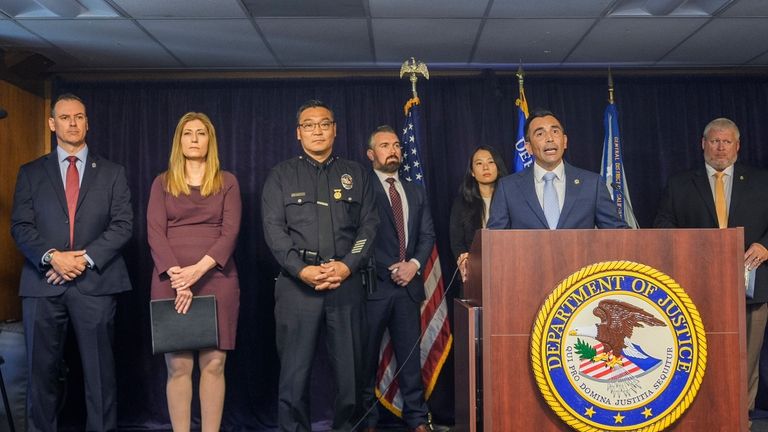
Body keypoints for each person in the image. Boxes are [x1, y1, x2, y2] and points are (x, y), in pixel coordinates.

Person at [10, 93, 133, 431]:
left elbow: (123, 225)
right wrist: (53, 258)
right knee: (41, 376)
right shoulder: (31, 173)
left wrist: (84, 259)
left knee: (100, 377)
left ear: (87, 123)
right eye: (65, 117)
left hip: (96, 283)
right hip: (42, 284)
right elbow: (21, 226)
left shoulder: (112, 172)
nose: (73, 123)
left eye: (79, 117)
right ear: (52, 124)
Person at [261, 100, 379, 431]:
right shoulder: (281, 175)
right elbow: (274, 231)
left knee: (350, 380)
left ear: (335, 130)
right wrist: (302, 270)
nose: (317, 130)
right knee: (294, 379)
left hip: (346, 284)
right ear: (298, 133)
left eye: (324, 124)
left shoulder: (356, 173)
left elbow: (368, 228)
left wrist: (347, 266)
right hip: (297, 287)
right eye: (309, 125)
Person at [654, 117, 768, 416]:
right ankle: (704, 416)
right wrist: (690, 248)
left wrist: (765, 246)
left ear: (738, 146)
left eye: (726, 141)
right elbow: (663, 226)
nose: (720, 148)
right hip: (696, 289)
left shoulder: (762, 181)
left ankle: (739, 418)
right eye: (714, 141)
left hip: (752, 292)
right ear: (703, 145)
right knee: (703, 356)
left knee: (747, 359)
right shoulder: (679, 184)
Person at [147, 112, 241, 432]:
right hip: (170, 281)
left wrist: (196, 272)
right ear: (180, 140)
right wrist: (179, 277)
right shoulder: (162, 182)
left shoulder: (227, 181)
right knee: (178, 366)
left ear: (209, 140)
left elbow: (230, 232)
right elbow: (155, 232)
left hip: (217, 277)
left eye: (201, 133)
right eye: (188, 133)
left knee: (214, 364)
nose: (195, 139)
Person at [361, 126, 434, 432]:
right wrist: (391, 266)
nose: (392, 150)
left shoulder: (415, 191)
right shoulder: (363, 190)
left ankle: (417, 419)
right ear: (370, 154)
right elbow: (358, 238)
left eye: (396, 145)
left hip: (408, 288)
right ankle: (367, 420)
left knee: (409, 359)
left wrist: (414, 265)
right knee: (364, 361)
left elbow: (427, 234)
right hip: (374, 287)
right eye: (384, 145)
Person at [486, 109, 627, 231]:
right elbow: (494, 240)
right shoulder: (508, 188)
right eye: (540, 134)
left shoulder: (592, 184)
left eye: (555, 131)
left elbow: (617, 233)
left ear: (565, 141)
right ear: (528, 147)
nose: (550, 138)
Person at [449, 146, 508, 285]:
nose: (485, 168)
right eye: (479, 163)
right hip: (473, 275)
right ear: (472, 172)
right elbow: (457, 243)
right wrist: (467, 263)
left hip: (507, 271)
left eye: (490, 162)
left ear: (498, 167)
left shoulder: (512, 199)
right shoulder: (461, 203)